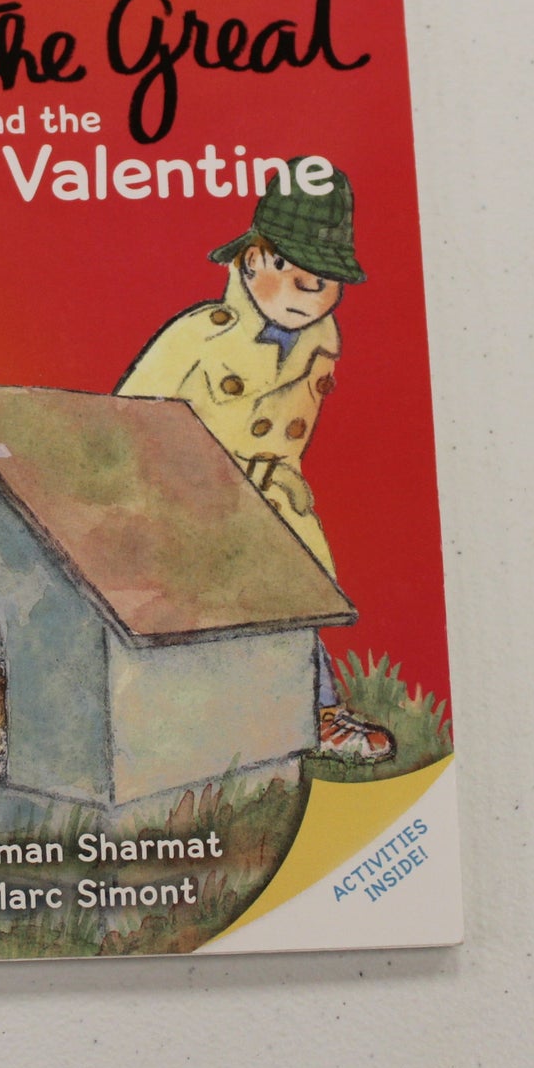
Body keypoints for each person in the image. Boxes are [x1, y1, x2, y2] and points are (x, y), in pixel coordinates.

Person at [117, 156, 394, 762]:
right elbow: (127, 420)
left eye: (324, 277)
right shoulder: (197, 335)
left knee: (295, 604)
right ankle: (184, 729)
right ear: (249, 261)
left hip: (272, 504)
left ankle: (317, 713)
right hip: (185, 504)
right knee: (190, 618)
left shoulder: (322, 343)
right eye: (288, 268)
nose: (308, 290)